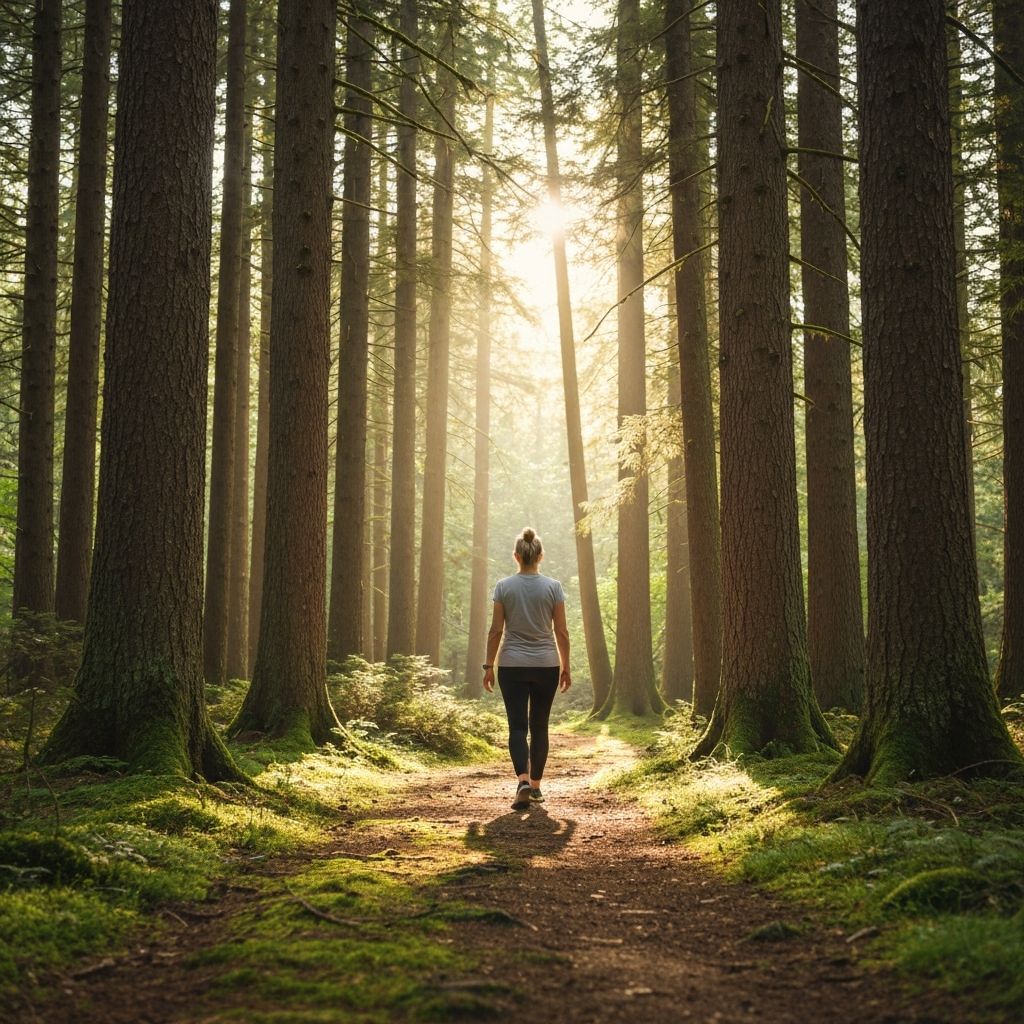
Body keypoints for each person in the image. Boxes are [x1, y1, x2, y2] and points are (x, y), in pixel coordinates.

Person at [482, 527, 571, 810]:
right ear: (540, 556)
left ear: (516, 556)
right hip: (546, 664)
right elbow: (562, 632)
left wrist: (488, 666)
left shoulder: (503, 586)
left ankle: (521, 780)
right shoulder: (553, 587)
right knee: (540, 727)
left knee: (517, 727)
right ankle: (535, 788)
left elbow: (496, 630)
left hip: (511, 664)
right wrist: (565, 666)